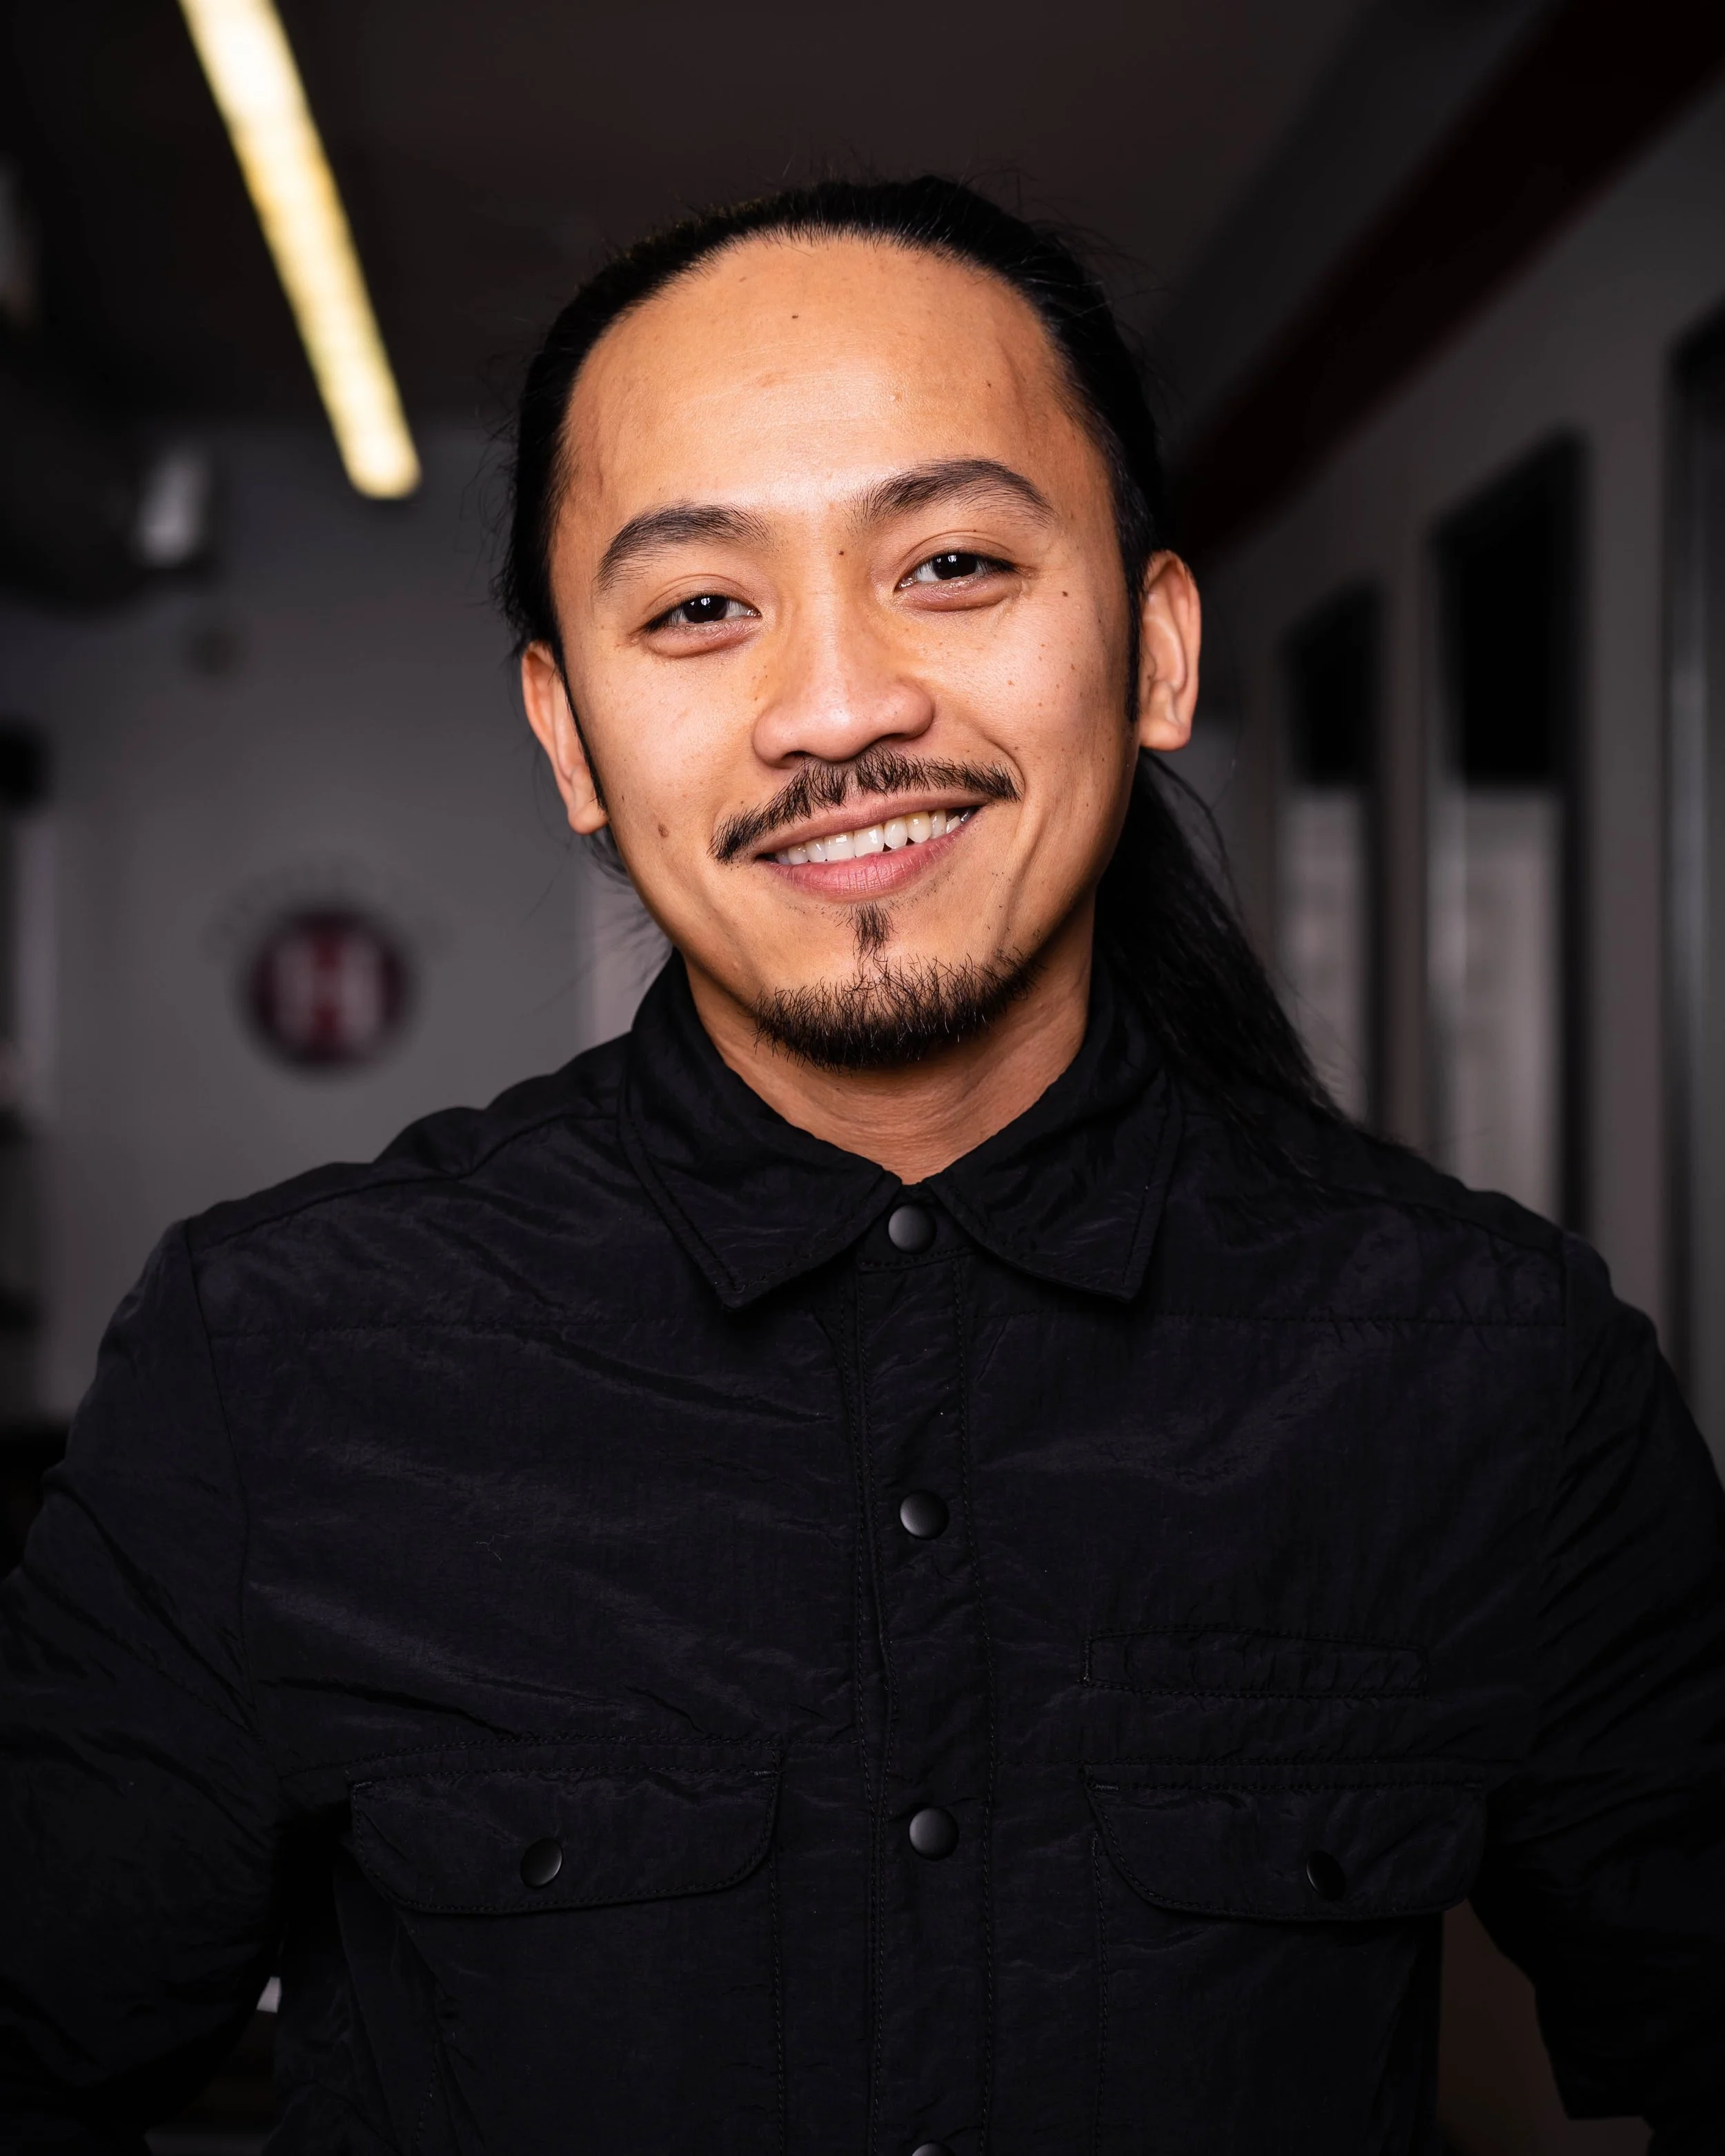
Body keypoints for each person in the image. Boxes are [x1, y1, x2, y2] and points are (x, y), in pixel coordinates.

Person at [2, 176, 1722, 2155]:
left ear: (1155, 652)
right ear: (570, 739)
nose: (836, 709)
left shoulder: (1492, 1369)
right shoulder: (278, 1364)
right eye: (699, 608)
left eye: (955, 564)